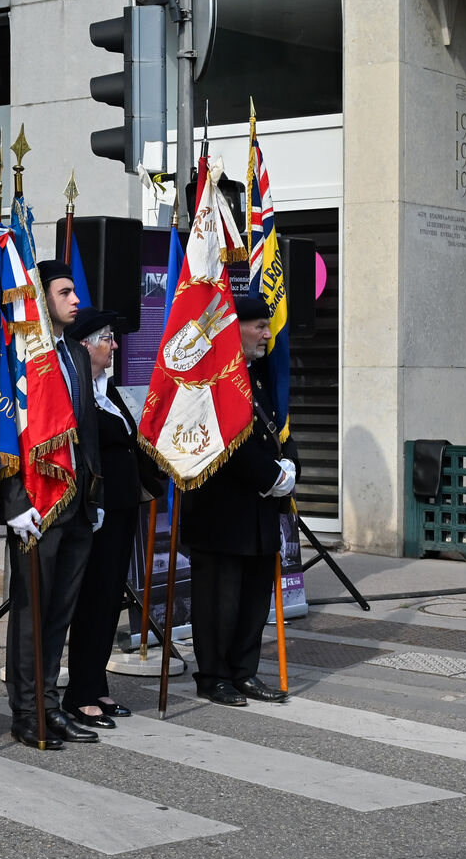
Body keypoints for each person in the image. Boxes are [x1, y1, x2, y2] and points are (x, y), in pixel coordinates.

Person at [0, 261, 103, 750]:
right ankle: (26, 712)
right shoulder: (20, 355)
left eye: (74, 291)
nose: (76, 300)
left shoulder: (76, 354)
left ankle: (49, 703)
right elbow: (9, 436)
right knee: (31, 614)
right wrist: (14, 501)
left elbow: (87, 431)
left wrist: (95, 494)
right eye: (65, 292)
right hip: (37, 506)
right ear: (40, 299)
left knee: (60, 613)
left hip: (77, 502)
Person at [181, 294, 298, 707]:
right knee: (219, 601)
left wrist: (291, 468)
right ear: (235, 330)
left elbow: (278, 429)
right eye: (259, 327)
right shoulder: (211, 379)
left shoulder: (258, 377)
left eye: (267, 326)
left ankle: (243, 672)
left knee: (253, 598)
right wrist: (272, 477)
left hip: (259, 511)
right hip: (222, 512)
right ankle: (213, 676)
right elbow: (225, 443)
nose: (268, 334)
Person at [61, 307, 163, 729]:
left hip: (122, 508)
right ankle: (80, 693)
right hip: (96, 509)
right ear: (85, 346)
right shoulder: (76, 390)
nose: (115, 345)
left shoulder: (109, 390)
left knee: (109, 600)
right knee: (92, 599)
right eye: (107, 338)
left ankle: (97, 684)